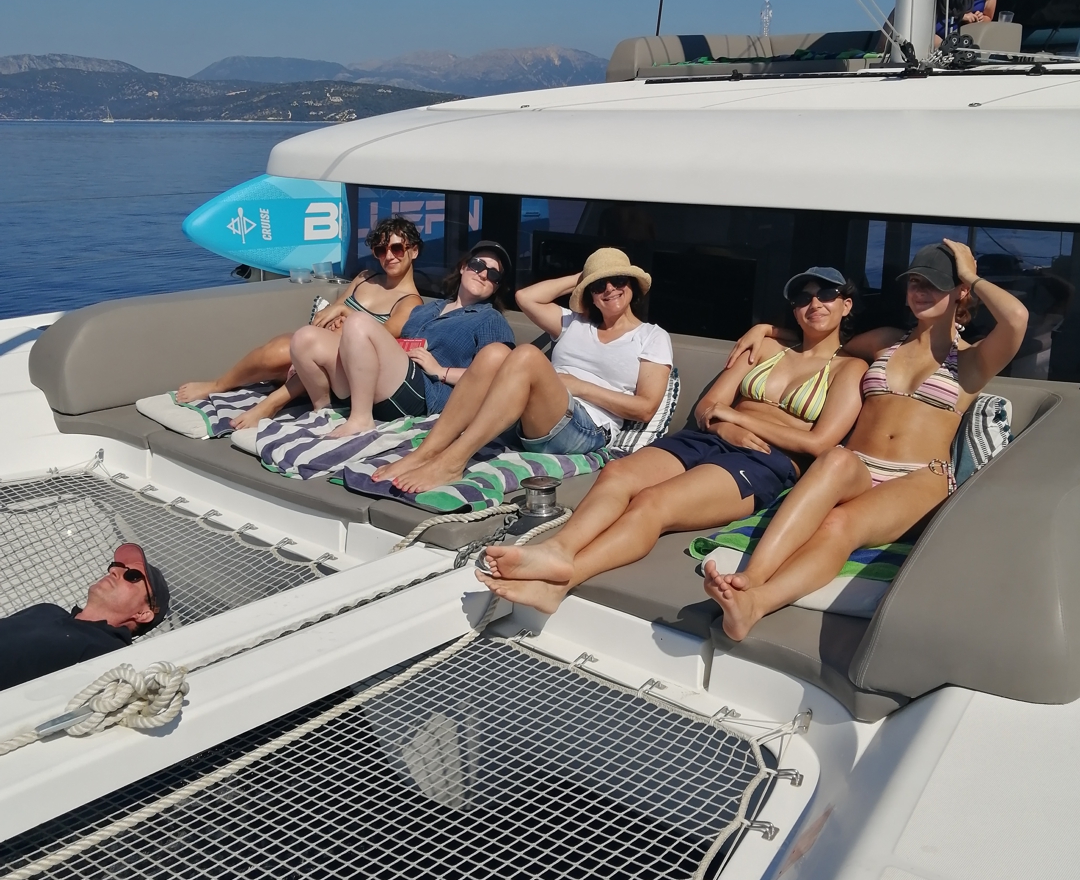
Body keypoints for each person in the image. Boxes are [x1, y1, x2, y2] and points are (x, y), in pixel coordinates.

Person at [475, 267, 868, 614]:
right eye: (803, 298)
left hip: (768, 459)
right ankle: (556, 551)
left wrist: (733, 416)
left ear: (846, 305)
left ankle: (561, 583)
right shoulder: (765, 347)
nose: (814, 303)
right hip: (710, 437)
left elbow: (819, 443)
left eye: (827, 295)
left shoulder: (850, 368)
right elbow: (709, 406)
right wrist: (721, 423)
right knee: (618, 473)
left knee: (652, 502)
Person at [705, 239, 1027, 642]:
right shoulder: (885, 341)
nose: (920, 290)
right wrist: (765, 329)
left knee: (839, 522)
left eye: (934, 283)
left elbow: (1016, 318)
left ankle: (758, 604)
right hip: (858, 463)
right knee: (833, 460)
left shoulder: (974, 359)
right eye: (914, 282)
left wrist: (971, 274)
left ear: (960, 291)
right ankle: (747, 580)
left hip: (918, 477)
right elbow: (823, 344)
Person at [375, 247, 673, 493]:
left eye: (618, 280)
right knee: (494, 353)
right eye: (599, 285)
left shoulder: (650, 336)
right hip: (533, 418)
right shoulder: (574, 322)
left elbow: (645, 408)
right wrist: (585, 275)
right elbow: (525, 297)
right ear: (590, 293)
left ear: (632, 284)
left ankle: (452, 461)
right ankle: (425, 452)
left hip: (586, 429)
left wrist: (577, 386)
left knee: (528, 355)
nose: (609, 289)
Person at [175, 216, 424, 429]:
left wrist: (344, 321)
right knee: (276, 351)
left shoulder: (410, 302)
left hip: (349, 367)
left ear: (413, 251)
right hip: (321, 344)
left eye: (397, 248)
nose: (389, 256)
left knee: (293, 351)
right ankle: (219, 384)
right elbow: (335, 309)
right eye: (381, 250)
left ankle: (271, 403)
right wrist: (333, 319)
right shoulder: (364, 278)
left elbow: (380, 336)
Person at [291, 240, 516, 438]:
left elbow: (500, 376)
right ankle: (326, 410)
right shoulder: (429, 309)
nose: (484, 274)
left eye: (494, 274)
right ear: (463, 267)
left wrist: (440, 370)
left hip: (424, 392)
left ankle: (361, 420)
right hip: (389, 378)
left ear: (496, 286)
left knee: (359, 322)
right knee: (305, 338)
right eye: (477, 265)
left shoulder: (490, 319)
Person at [0, 543, 170, 691]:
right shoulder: (47, 610)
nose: (114, 571)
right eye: (115, 566)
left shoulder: (112, 657)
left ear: (142, 614)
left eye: (132, 575)